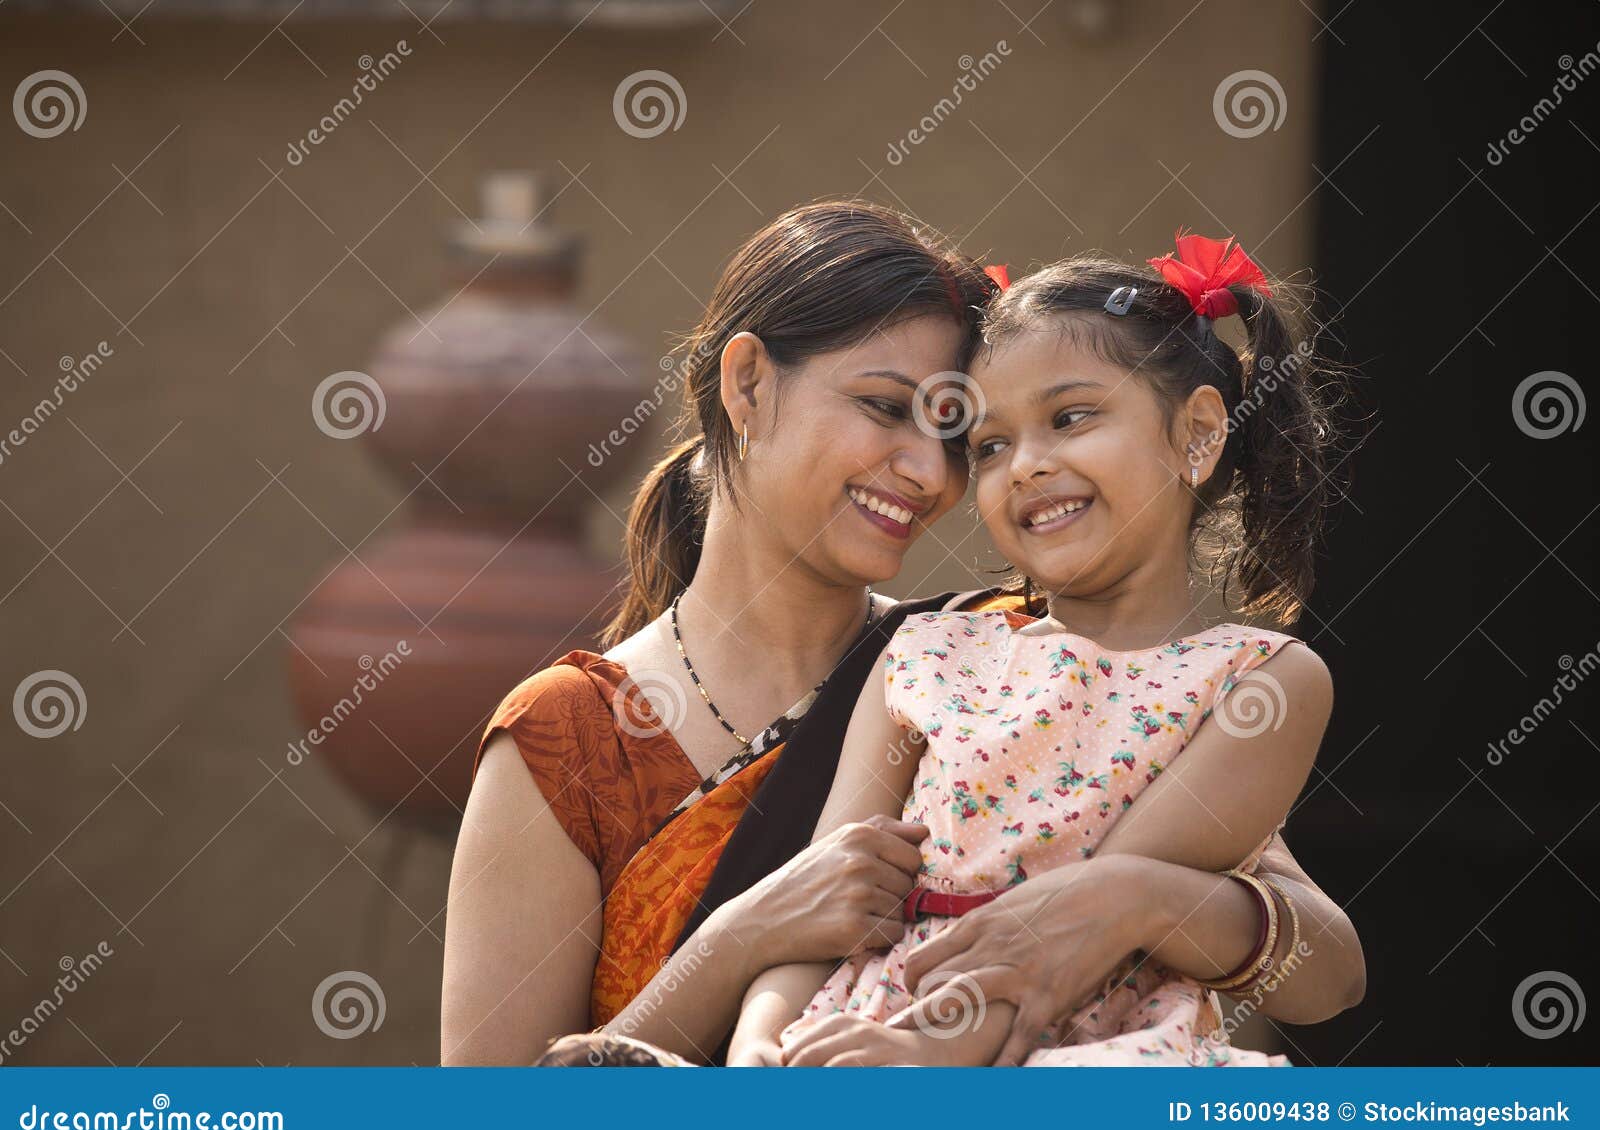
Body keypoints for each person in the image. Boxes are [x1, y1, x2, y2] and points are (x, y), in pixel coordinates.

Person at [439, 204, 1365, 1068]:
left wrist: (1131, 898)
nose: (929, 471)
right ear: (748, 383)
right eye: (886, 408)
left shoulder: (1008, 652)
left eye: (957, 437)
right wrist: (738, 943)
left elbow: (1322, 966)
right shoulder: (573, 739)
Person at [731, 234, 1341, 1066]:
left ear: (1197, 434)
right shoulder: (926, 655)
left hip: (1083, 1054)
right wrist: (759, 1036)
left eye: (1070, 417)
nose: (1025, 466)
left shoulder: (1255, 684)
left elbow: (1079, 922)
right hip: (867, 1034)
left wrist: (927, 1055)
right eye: (989, 446)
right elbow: (826, 895)